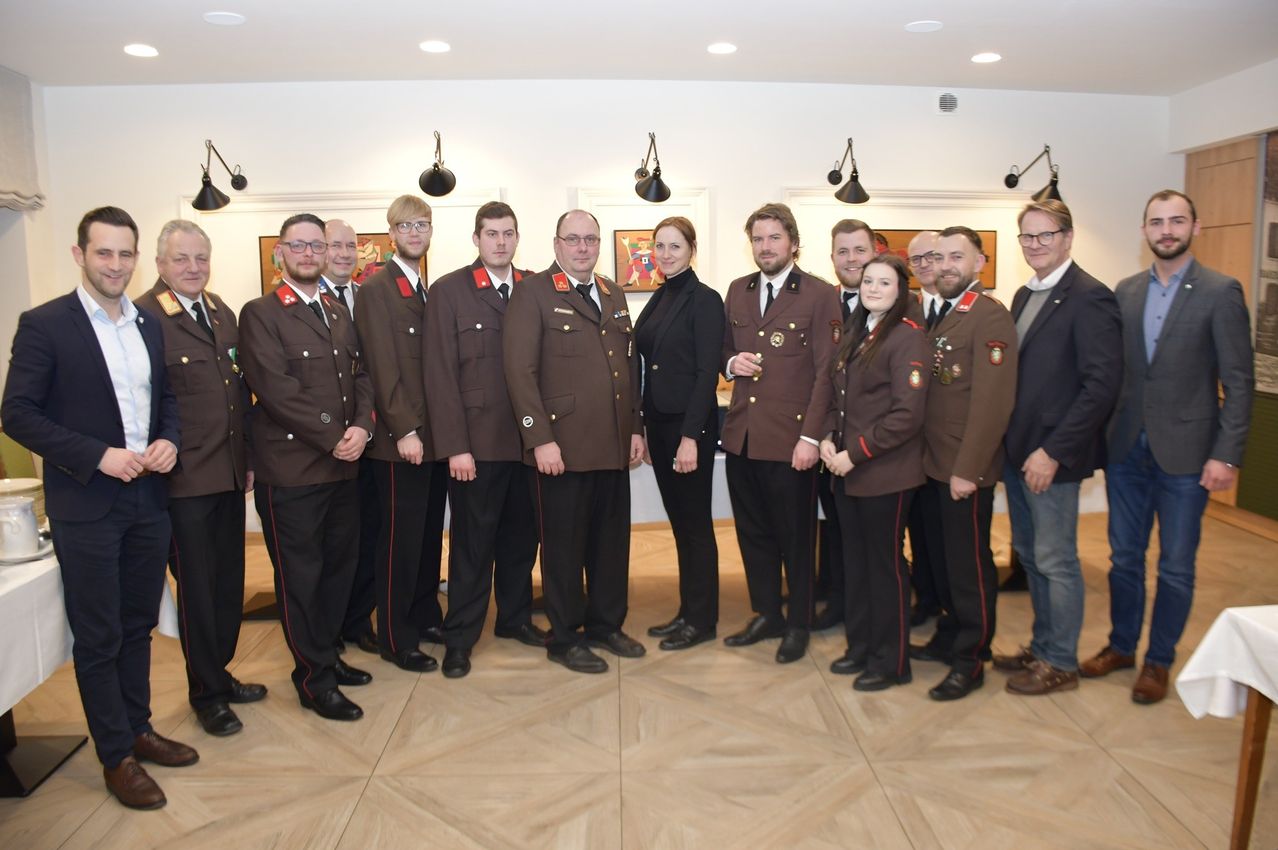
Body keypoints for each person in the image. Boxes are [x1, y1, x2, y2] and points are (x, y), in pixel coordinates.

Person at [2, 206, 197, 810]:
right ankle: (115, 755)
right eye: (104, 253)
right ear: (80, 254)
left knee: (137, 622)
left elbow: (163, 399)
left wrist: (169, 440)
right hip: (86, 502)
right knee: (100, 633)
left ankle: (138, 729)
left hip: (146, 497)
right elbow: (18, 414)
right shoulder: (45, 324)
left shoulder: (147, 324)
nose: (116, 264)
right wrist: (98, 456)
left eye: (125, 253)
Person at [1081, 189, 1254, 704]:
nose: (1166, 230)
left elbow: (1239, 382)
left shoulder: (1221, 292)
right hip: (1126, 451)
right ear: (1144, 231)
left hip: (1188, 455)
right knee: (1123, 558)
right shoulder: (1126, 290)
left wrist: (1226, 455)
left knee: (1176, 564)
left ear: (1195, 228)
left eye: (1176, 221)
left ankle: (1159, 661)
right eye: (1156, 222)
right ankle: (1121, 646)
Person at [239, 213, 375, 721]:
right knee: (302, 579)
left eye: (316, 246)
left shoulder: (339, 310)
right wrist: (333, 432)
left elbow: (363, 375)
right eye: (297, 246)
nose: (309, 254)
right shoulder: (261, 313)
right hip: (293, 473)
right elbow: (276, 390)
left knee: (338, 572)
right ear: (280, 254)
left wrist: (361, 426)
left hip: (342, 467)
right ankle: (312, 680)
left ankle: (327, 655)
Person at [134, 220, 266, 737]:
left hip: (230, 473)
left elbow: (240, 396)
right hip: (184, 480)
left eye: (201, 259)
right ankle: (205, 693)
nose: (193, 268)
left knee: (228, 584)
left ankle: (221, 672)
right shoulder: (146, 317)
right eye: (181, 259)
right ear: (161, 263)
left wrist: (249, 455)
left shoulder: (219, 311)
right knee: (198, 590)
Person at [503, 209, 646, 674]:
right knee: (563, 550)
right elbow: (519, 373)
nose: (583, 248)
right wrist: (538, 439)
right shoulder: (532, 293)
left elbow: (628, 369)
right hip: (559, 450)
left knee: (610, 546)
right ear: (557, 244)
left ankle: (606, 626)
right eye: (574, 239)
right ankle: (565, 638)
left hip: (611, 445)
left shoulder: (613, 292)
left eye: (591, 240)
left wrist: (636, 428)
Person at [991, 201, 1122, 695]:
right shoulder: (1026, 294)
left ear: (1068, 237)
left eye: (1045, 235)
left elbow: (1100, 386)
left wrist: (1055, 452)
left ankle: (1061, 661)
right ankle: (1042, 647)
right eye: (1027, 237)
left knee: (1056, 559)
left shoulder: (1090, 297)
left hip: (1052, 458)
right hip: (1019, 454)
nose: (1035, 244)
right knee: (1030, 554)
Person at [423, 201, 549, 677]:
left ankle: (514, 619)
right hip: (476, 445)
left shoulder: (534, 287)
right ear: (476, 238)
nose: (500, 242)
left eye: (508, 233)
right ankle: (460, 637)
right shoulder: (450, 291)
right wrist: (455, 445)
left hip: (527, 443)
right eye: (491, 234)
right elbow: (438, 374)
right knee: (473, 546)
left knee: (522, 540)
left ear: (518, 238)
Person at [720, 202, 841, 664]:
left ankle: (799, 623)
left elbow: (826, 374)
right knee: (753, 535)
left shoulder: (817, 294)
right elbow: (725, 350)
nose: (765, 247)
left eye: (773, 238)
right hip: (743, 438)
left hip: (792, 443)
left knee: (795, 537)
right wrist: (731, 364)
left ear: (792, 242)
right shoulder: (739, 290)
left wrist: (811, 439)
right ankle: (767, 612)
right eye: (757, 239)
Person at [911, 226, 1017, 701]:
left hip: (961, 469)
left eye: (958, 256)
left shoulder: (989, 318)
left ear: (979, 263)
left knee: (968, 566)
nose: (946, 264)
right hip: (932, 464)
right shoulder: (942, 314)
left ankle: (971, 657)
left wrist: (968, 470)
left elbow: (993, 405)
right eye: (940, 256)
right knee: (941, 560)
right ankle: (949, 636)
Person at [820, 254, 929, 691]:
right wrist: (828, 437)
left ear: (900, 290)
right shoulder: (857, 331)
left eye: (884, 283)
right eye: (868, 281)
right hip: (847, 471)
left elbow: (908, 415)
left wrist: (855, 454)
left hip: (886, 474)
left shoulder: (908, 338)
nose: (874, 289)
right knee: (857, 565)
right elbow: (838, 396)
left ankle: (892, 662)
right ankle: (861, 648)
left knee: (885, 569)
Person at [353, 195, 448, 673]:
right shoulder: (376, 290)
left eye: (422, 225)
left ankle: (424, 615)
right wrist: (405, 429)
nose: (415, 233)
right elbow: (381, 369)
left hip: (431, 441)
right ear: (391, 234)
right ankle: (395, 635)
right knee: (399, 543)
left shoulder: (422, 287)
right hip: (399, 444)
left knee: (429, 536)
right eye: (405, 226)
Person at [634, 216, 725, 651]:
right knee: (680, 526)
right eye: (660, 246)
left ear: (692, 249)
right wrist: (648, 429)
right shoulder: (660, 296)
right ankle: (688, 612)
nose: (666, 254)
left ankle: (702, 620)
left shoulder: (704, 300)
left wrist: (691, 437)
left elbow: (708, 373)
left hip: (690, 430)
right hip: (662, 426)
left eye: (675, 246)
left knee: (696, 527)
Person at [813, 219, 877, 632]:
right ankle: (839, 602)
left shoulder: (894, 305)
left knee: (876, 537)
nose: (851, 259)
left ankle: (874, 612)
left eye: (859, 250)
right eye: (842, 251)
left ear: (875, 252)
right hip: (828, 443)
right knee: (834, 527)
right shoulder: (824, 301)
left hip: (873, 446)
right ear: (832, 257)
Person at [321, 219, 379, 656]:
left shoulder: (367, 296)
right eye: (333, 246)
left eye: (349, 246)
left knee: (366, 536)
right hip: (325, 445)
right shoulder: (304, 302)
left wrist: (366, 424)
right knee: (331, 547)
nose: (343, 254)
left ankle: (359, 620)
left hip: (370, 439)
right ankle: (329, 629)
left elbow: (371, 370)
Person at [904, 231, 945, 627]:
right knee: (919, 528)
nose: (926, 266)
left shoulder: (973, 309)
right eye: (917, 261)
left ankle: (952, 612)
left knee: (949, 537)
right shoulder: (909, 309)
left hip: (948, 447)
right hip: (910, 447)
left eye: (932, 256)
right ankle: (927, 598)